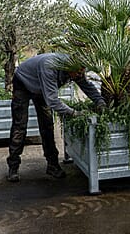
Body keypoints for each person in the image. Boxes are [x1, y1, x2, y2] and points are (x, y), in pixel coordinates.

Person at [7, 53, 106, 182]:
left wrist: (100, 101)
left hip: (41, 87)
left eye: (82, 72)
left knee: (47, 125)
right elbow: (52, 101)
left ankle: (52, 165)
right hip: (23, 82)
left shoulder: (76, 68)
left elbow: (86, 86)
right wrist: (74, 113)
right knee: (20, 126)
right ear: (69, 68)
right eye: (77, 73)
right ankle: (13, 167)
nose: (79, 75)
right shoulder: (50, 67)